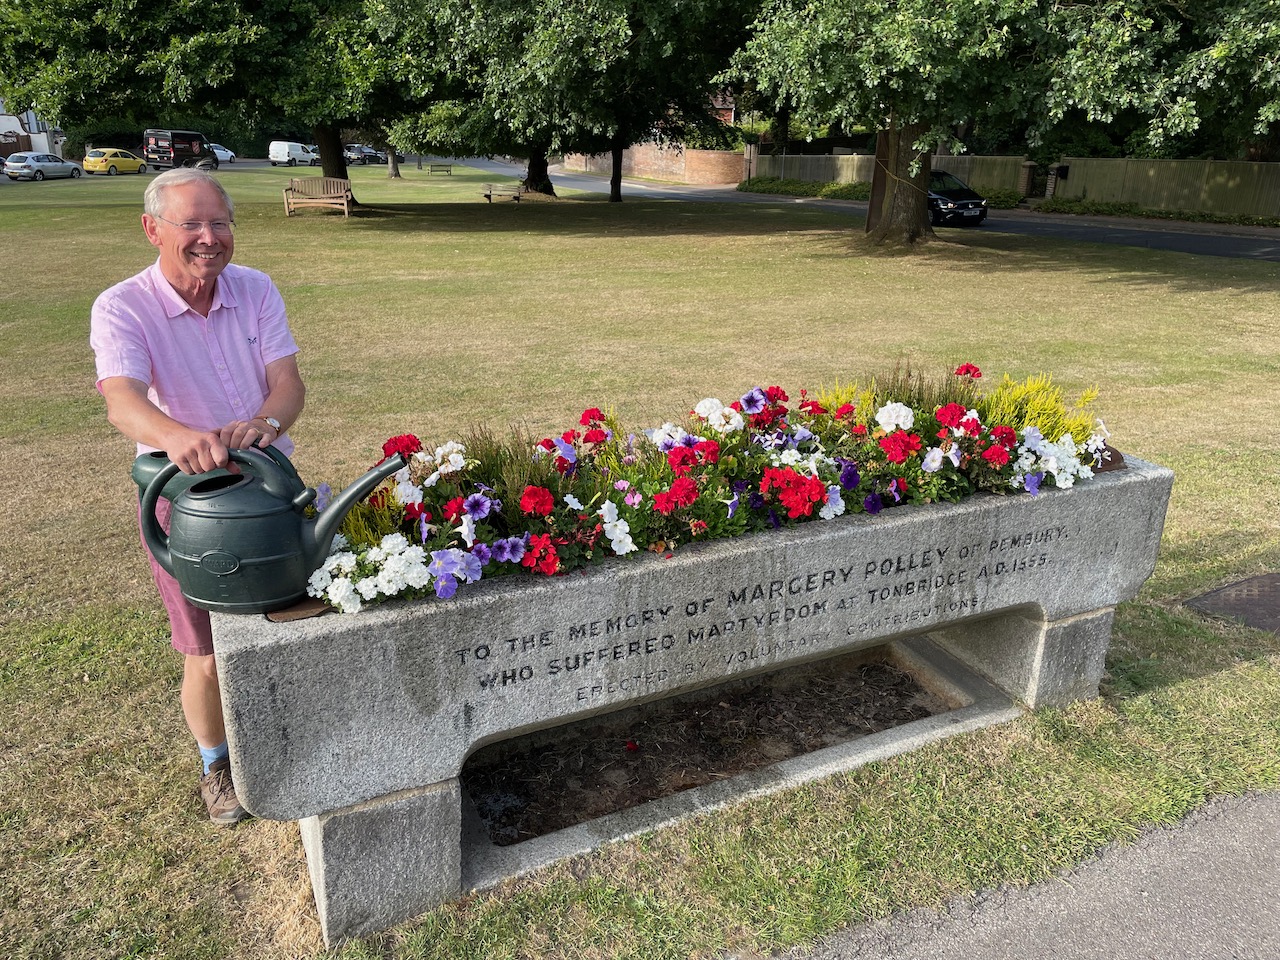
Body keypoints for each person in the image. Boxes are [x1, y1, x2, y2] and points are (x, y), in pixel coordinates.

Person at [90, 168, 306, 826]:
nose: (209, 237)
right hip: (186, 502)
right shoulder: (122, 306)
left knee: (293, 621)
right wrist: (178, 437)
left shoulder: (256, 288)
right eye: (191, 224)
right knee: (207, 650)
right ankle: (217, 764)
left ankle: (291, 737)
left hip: (268, 485)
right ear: (152, 229)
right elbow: (122, 400)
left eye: (219, 222)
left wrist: (265, 423)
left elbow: (287, 382)